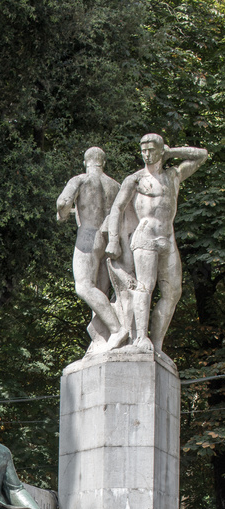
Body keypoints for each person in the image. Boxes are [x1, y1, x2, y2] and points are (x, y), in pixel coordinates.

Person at [106, 134, 207, 353]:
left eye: (151, 149)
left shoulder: (173, 176)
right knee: (145, 286)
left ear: (161, 151)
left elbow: (202, 155)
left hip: (167, 238)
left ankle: (158, 346)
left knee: (173, 293)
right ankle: (142, 338)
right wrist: (113, 240)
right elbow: (117, 208)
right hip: (145, 236)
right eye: (143, 150)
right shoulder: (135, 179)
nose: (146, 154)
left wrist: (172, 152)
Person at [56, 147, 127, 351]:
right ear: (103, 162)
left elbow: (63, 202)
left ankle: (116, 329)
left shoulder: (81, 180)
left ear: (85, 162)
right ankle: (101, 340)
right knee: (100, 292)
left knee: (84, 286)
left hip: (88, 236)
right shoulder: (116, 185)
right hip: (109, 240)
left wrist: (62, 213)